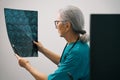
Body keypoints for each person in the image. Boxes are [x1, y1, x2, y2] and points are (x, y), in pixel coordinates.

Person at [15, 5, 90, 80]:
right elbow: (65, 62)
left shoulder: (77, 52)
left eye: (57, 22)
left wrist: (26, 65)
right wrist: (42, 50)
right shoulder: (76, 44)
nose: (56, 26)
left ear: (67, 26)